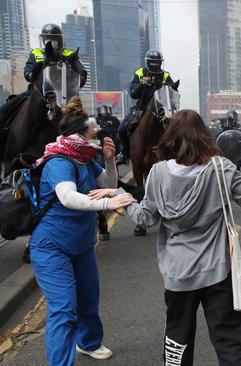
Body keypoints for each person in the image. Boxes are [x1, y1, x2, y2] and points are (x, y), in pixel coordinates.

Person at [106, 110, 241, 365]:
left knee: (177, 340)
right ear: (204, 136)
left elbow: (145, 218)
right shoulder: (221, 168)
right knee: (229, 340)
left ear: (170, 138)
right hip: (217, 270)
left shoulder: (157, 173)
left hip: (178, 273)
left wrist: (122, 199)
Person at [29, 96, 135, 366]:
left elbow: (107, 183)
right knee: (64, 310)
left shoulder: (85, 158)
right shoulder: (59, 160)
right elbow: (68, 197)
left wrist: (110, 161)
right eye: (92, 130)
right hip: (52, 247)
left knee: (88, 300)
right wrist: (108, 203)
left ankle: (87, 343)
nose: (98, 133)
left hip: (82, 244)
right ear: (79, 133)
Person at [0, 24, 87, 134]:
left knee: (84, 120)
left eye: (54, 40)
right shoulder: (36, 53)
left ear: (60, 40)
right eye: (47, 40)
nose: (50, 43)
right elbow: (28, 71)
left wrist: (80, 77)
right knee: (8, 108)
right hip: (38, 91)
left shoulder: (69, 54)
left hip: (66, 93)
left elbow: (82, 71)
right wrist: (32, 74)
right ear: (43, 40)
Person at [116, 49, 174, 164]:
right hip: (140, 108)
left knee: (176, 129)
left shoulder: (166, 75)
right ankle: (124, 152)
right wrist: (141, 84)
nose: (155, 65)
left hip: (161, 110)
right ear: (148, 62)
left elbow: (173, 92)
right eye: (153, 62)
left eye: (157, 63)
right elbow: (133, 94)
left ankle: (176, 154)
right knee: (121, 129)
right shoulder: (140, 73)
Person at [95, 105, 121, 241]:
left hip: (110, 150)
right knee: (132, 122)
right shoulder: (95, 122)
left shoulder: (114, 120)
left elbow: (118, 132)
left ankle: (124, 153)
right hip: (99, 150)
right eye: (102, 111)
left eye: (106, 111)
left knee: (125, 127)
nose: (104, 113)